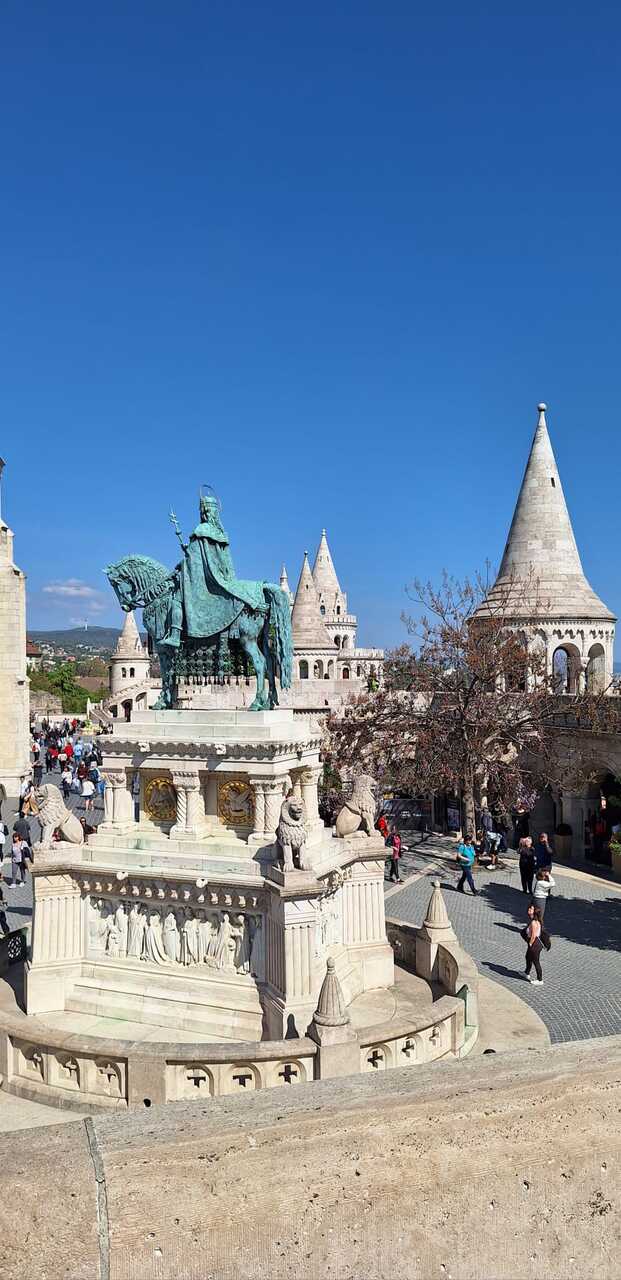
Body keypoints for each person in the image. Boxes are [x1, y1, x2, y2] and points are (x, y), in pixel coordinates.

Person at [523, 903, 545, 985]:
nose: (529, 909)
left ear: (534, 911)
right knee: (528, 957)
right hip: (534, 943)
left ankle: (540, 980)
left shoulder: (534, 922)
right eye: (529, 908)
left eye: (531, 909)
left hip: (535, 944)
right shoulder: (533, 920)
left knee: (536, 961)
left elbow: (534, 935)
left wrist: (530, 944)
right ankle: (526, 973)